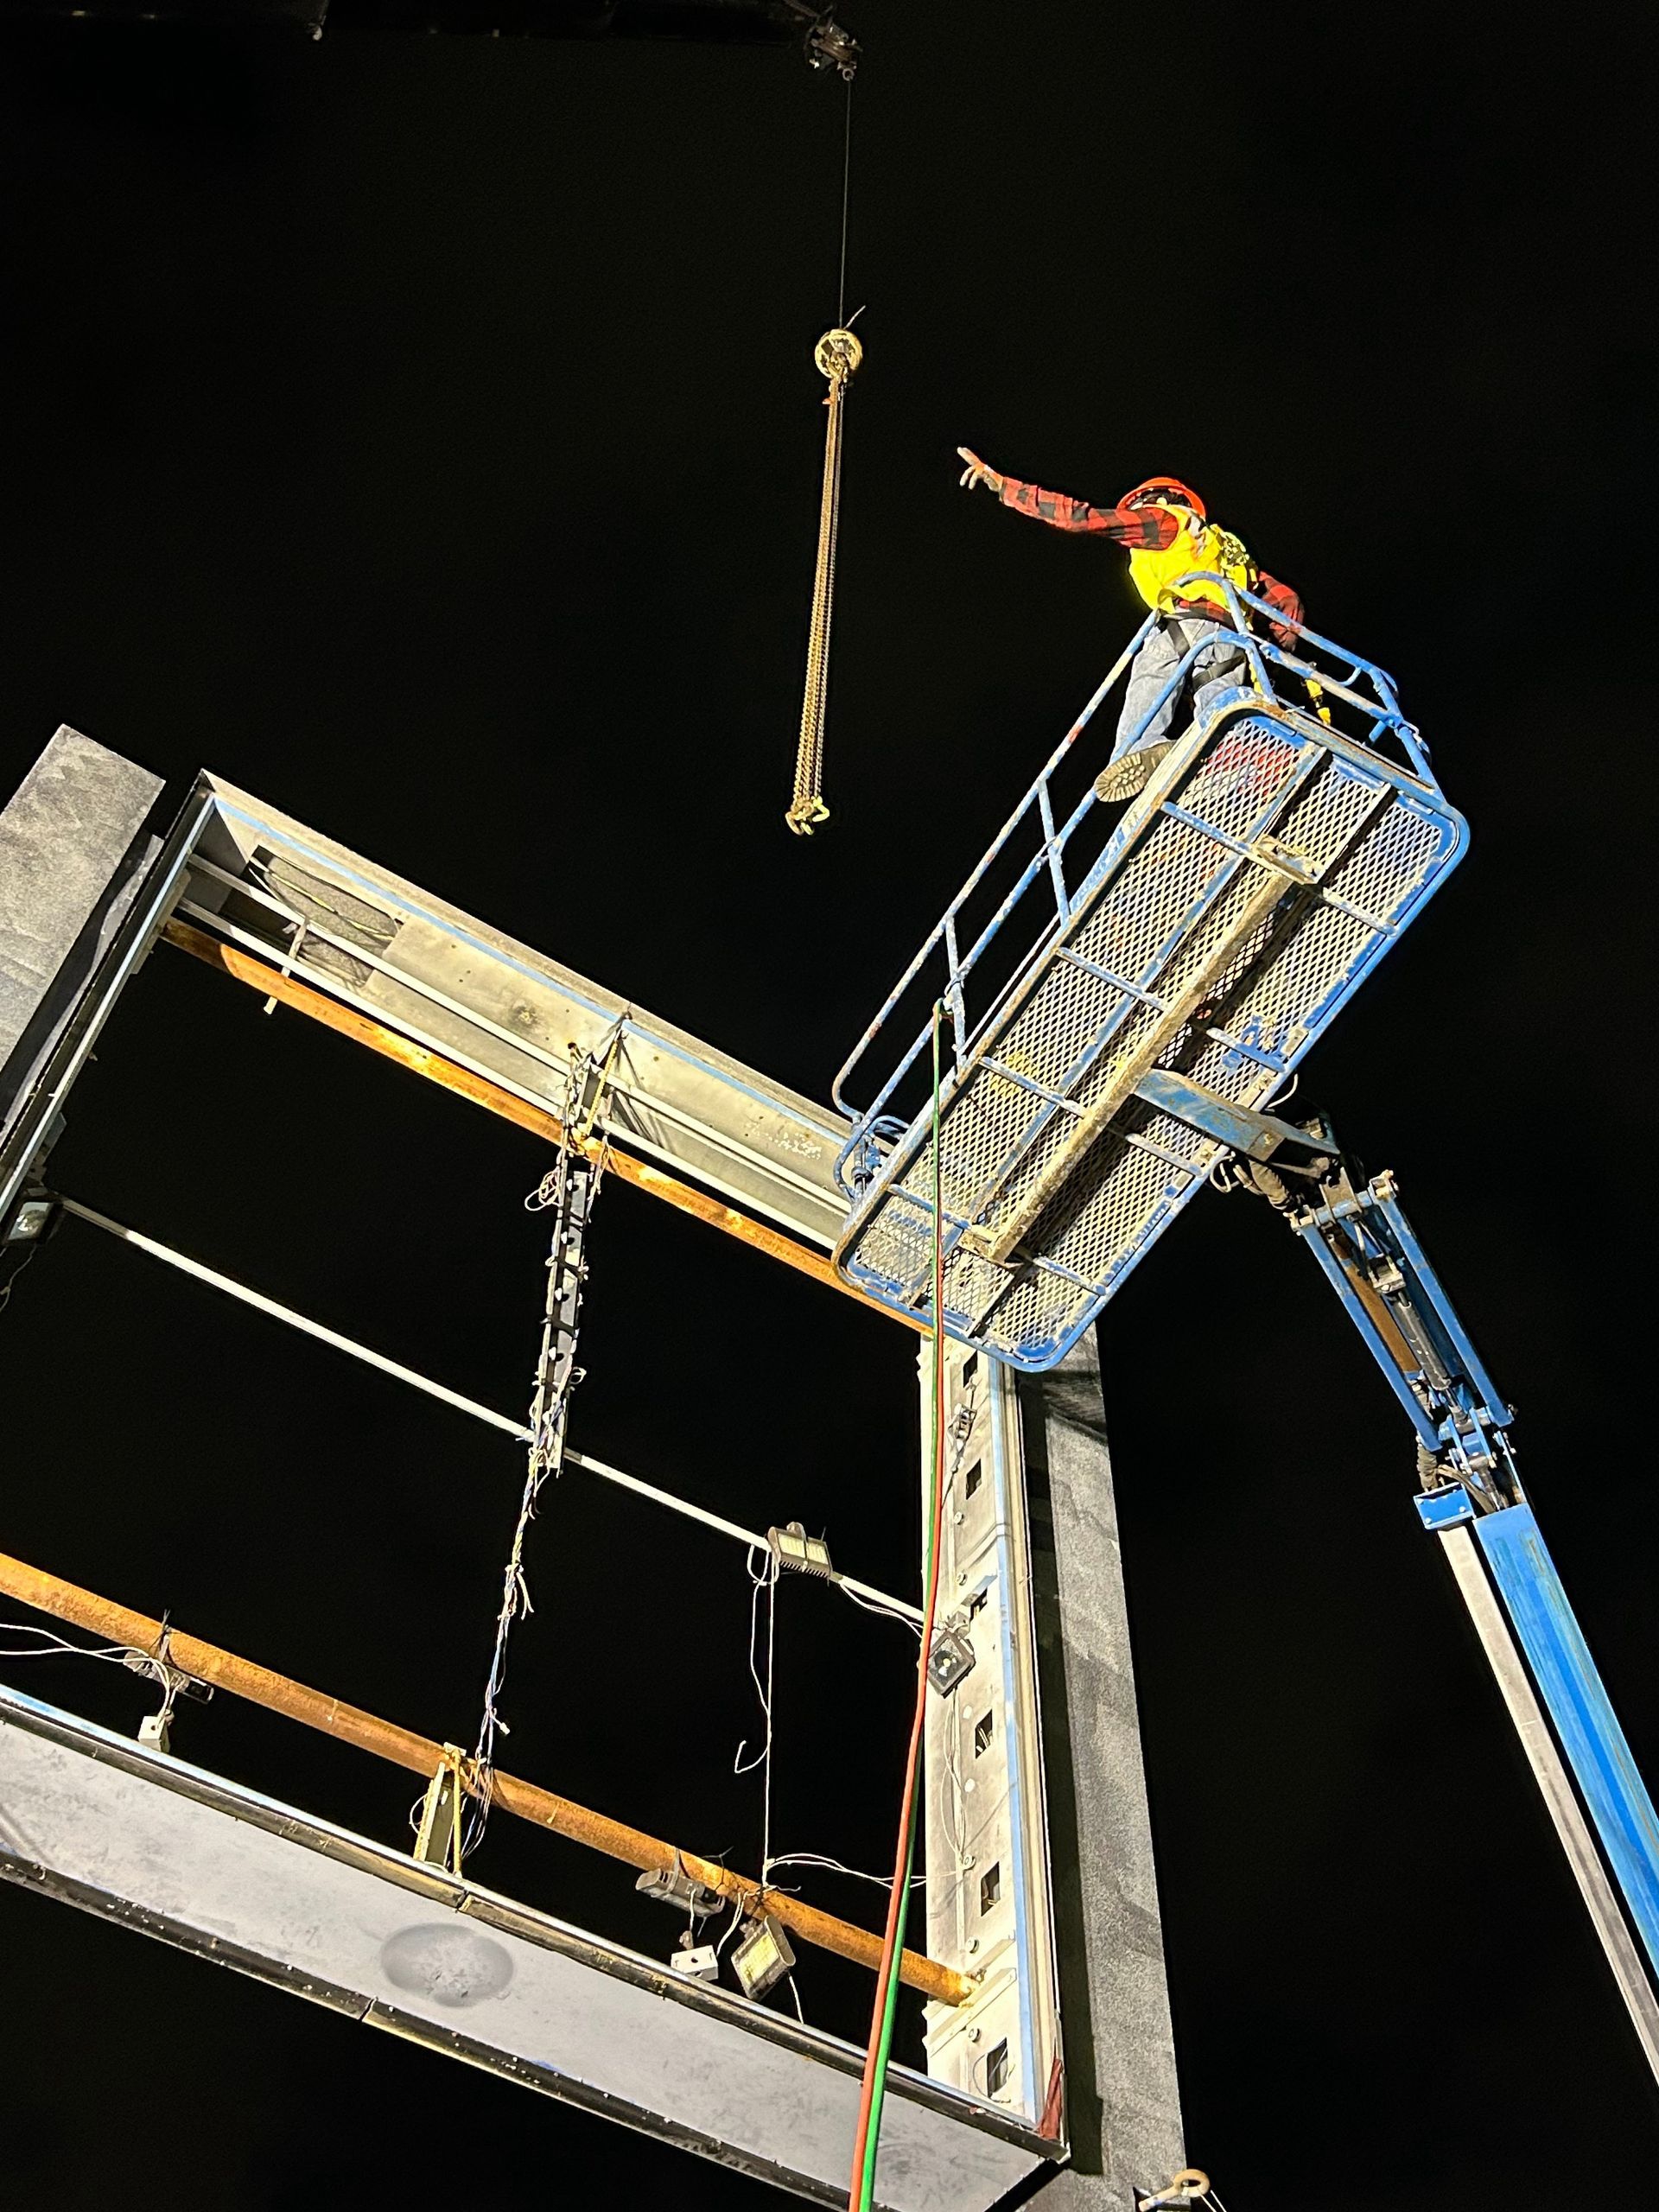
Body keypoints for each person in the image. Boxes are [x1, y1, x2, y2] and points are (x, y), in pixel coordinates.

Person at [957, 453, 1304, 800]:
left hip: (1186, 625)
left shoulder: (1165, 522)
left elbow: (1083, 518)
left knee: (1149, 676)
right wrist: (1279, 651)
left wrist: (1005, 487)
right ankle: (1236, 772)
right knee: (1221, 718)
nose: (1138, 507)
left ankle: (1138, 751)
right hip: (1232, 643)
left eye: (1140, 502)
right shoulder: (1228, 549)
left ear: (1164, 499)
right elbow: (1286, 600)